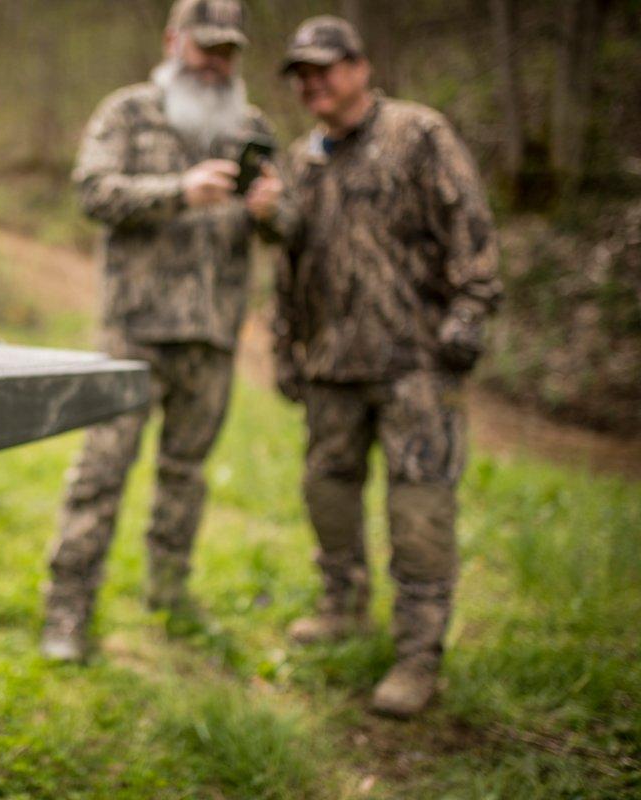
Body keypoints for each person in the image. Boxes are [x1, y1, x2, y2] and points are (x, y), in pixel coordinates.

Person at [246, 16, 502, 717]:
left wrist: (469, 314)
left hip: (417, 362)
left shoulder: (418, 133)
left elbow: (471, 229)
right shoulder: (302, 159)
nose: (311, 83)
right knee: (327, 492)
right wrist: (287, 345)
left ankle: (419, 656)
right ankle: (342, 605)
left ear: (360, 67)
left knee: (419, 509)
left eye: (323, 68)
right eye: (300, 73)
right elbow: (290, 263)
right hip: (331, 364)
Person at [41, 0, 272, 661]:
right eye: (206, 48)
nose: (217, 63)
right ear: (174, 41)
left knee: (185, 474)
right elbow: (92, 191)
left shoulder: (251, 125)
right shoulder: (128, 111)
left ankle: (169, 598)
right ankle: (67, 612)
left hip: (214, 332)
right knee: (101, 473)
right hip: (133, 334)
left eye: (228, 51)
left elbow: (284, 224)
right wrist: (178, 191)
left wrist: (275, 211)